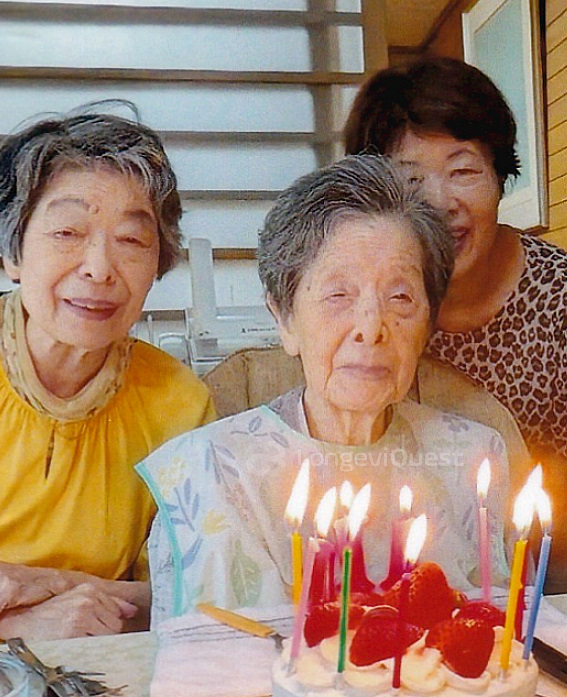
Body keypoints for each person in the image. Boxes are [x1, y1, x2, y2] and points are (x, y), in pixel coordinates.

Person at [139, 154, 514, 623]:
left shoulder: (472, 457)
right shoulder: (209, 474)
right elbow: (203, 656)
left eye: (400, 297)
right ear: (284, 319)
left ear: (428, 323)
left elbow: (499, 631)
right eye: (339, 294)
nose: (370, 328)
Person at [343, 56, 567, 593]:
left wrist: (546, 594)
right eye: (410, 179)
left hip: (540, 520)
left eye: (464, 170)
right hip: (394, 526)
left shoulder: (564, 299)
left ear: (500, 177)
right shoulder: (367, 298)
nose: (439, 202)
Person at [0, 108, 215, 639]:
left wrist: (49, 586)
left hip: (101, 668)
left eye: (132, 240)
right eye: (67, 232)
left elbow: (196, 593)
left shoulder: (180, 407)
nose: (98, 268)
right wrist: (21, 623)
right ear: (12, 254)